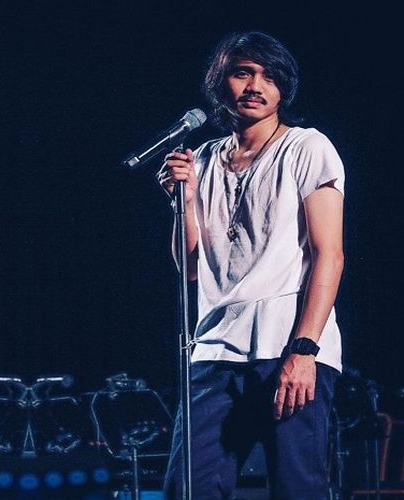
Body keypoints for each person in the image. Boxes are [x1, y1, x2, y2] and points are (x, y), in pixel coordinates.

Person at [157, 31, 345, 499]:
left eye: (269, 76)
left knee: (296, 487)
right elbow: (191, 269)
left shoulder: (306, 147)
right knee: (188, 487)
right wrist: (184, 202)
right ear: (220, 82)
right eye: (243, 73)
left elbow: (329, 253)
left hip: (288, 346)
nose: (256, 86)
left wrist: (305, 350)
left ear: (283, 88)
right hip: (214, 349)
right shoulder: (201, 159)